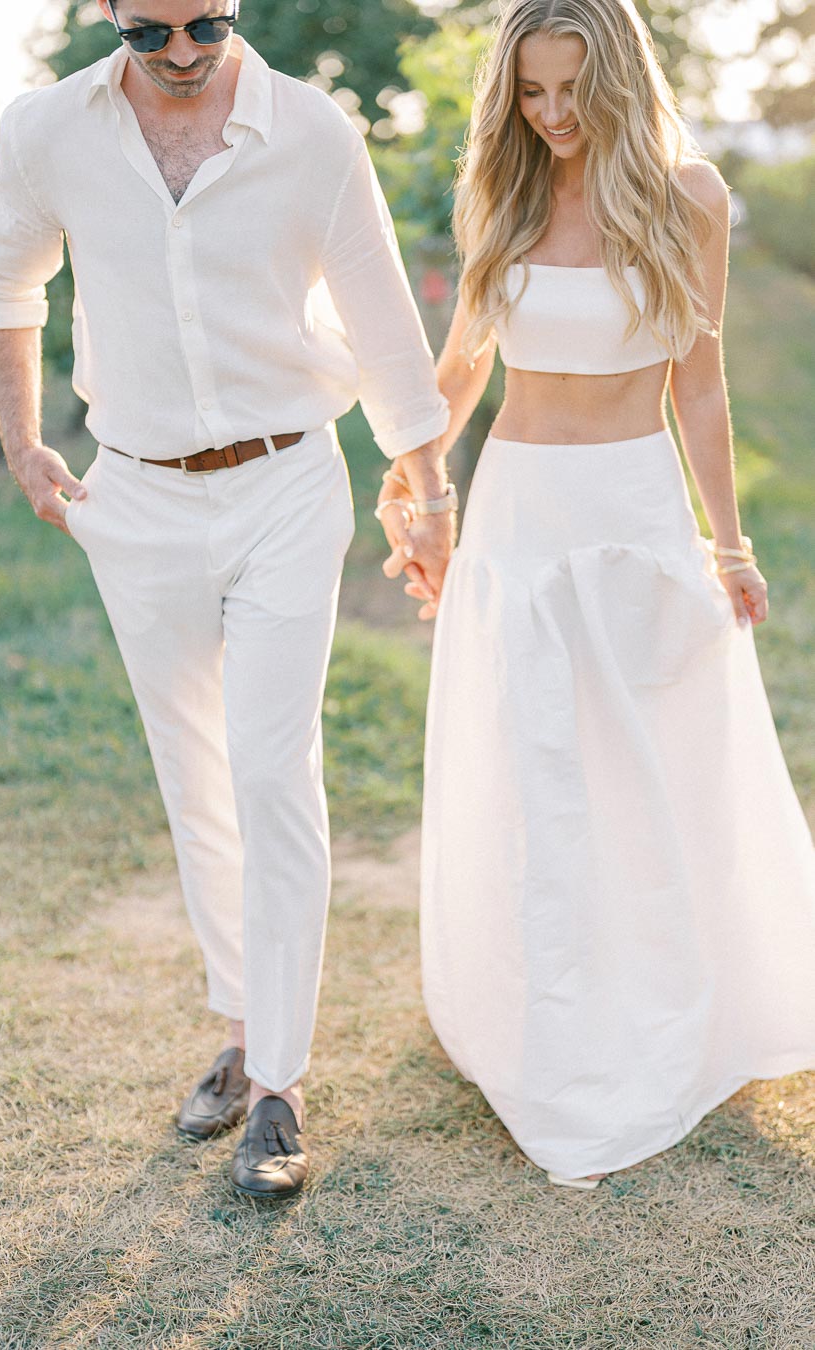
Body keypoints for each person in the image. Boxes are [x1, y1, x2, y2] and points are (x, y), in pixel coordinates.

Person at [0, 0, 455, 1198]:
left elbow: (386, 318)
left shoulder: (315, 133)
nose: (182, 54)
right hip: (133, 496)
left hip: (288, 478)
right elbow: (0, 285)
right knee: (194, 776)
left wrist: (426, 484)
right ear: (113, 16)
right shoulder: (46, 129)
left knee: (272, 768)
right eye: (151, 33)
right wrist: (24, 445)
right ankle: (237, 1030)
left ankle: (281, 1087)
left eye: (207, 26)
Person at [380, 0, 815, 1188]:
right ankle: (548, 1028)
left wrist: (729, 544)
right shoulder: (508, 196)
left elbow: (704, 387)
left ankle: (670, 1004)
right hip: (519, 519)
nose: (554, 115)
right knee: (539, 775)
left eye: (573, 90)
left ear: (619, 79)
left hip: (633, 520)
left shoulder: (692, 199)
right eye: (531, 92)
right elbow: (464, 362)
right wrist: (418, 482)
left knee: (657, 771)